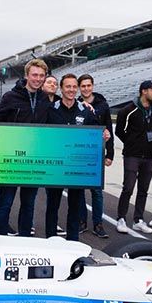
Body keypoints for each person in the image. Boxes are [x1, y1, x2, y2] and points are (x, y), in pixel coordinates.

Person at [0, 59, 52, 236]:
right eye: (34, 75)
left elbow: (56, 123)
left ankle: (25, 238)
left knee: (28, 203)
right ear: (26, 75)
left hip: (33, 161)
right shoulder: (11, 96)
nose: (38, 79)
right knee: (6, 202)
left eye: (41, 75)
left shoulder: (44, 98)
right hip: (13, 160)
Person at [45, 74, 103, 240]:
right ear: (61, 89)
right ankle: (51, 239)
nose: (71, 90)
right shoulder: (51, 109)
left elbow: (96, 132)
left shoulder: (85, 110)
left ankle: (73, 240)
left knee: (75, 205)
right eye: (67, 87)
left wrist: (103, 135)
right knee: (52, 205)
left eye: (73, 87)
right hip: (55, 166)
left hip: (77, 167)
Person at [114, 80, 152, 234]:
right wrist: (132, 144)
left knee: (144, 189)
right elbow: (120, 131)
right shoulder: (128, 110)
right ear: (144, 91)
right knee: (128, 187)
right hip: (132, 155)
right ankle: (121, 218)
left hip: (150, 156)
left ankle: (138, 220)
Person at [79, 74, 113, 239]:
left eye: (88, 85)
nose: (86, 88)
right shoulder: (76, 104)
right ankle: (81, 221)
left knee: (97, 192)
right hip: (79, 152)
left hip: (97, 153)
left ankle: (98, 224)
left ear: (92, 86)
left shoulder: (103, 105)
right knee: (79, 190)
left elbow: (109, 131)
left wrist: (110, 154)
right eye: (83, 86)